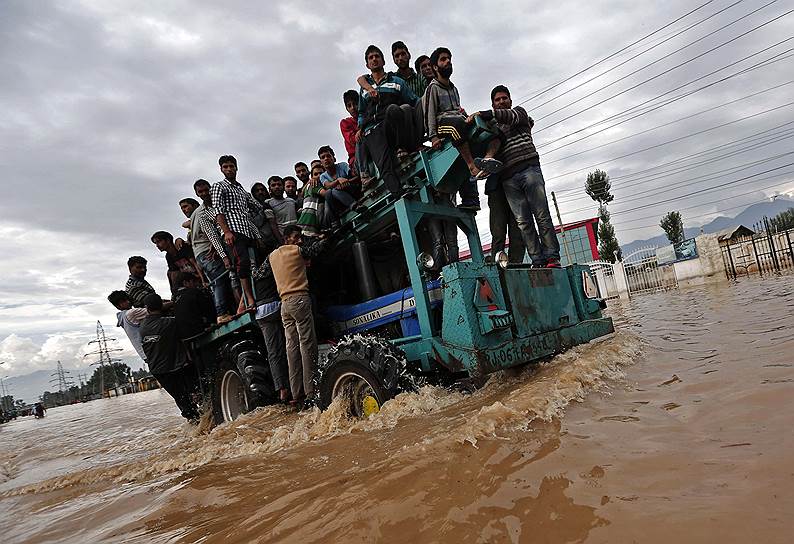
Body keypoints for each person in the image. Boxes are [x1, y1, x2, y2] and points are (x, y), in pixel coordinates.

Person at [468, 85, 561, 267]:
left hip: (529, 169)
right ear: (493, 103)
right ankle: (537, 260)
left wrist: (483, 113)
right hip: (509, 178)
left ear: (510, 100)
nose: (502, 101)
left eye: (504, 98)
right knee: (523, 222)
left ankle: (552, 257)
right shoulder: (493, 128)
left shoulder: (519, 113)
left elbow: (507, 116)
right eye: (498, 100)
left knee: (542, 215)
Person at [253, 225, 328, 405]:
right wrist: (325, 236)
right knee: (307, 345)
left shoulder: (272, 256)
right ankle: (311, 392)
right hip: (300, 299)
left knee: (291, 349)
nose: (299, 239)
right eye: (296, 236)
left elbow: (257, 275)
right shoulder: (297, 250)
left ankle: (296, 393)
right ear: (286, 239)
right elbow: (317, 248)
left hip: (284, 305)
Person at [423, 47, 502, 211]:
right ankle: (472, 166)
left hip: (457, 119)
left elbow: (458, 110)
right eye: (443, 59)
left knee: (492, 126)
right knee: (456, 126)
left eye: (449, 58)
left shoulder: (454, 88)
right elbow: (430, 113)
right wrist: (433, 137)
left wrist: (470, 118)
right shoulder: (433, 88)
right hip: (442, 123)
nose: (448, 62)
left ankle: (487, 158)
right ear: (435, 66)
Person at [356, 44, 421, 195]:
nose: (374, 59)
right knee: (384, 164)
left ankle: (401, 148)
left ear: (383, 61)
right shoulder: (364, 87)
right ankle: (399, 193)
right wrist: (360, 128)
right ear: (367, 64)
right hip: (372, 129)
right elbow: (361, 111)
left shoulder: (397, 81)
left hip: (389, 125)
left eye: (377, 56)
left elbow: (414, 100)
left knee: (394, 109)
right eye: (371, 58)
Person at [211, 155, 262, 309]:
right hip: (233, 230)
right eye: (225, 167)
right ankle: (249, 299)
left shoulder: (241, 189)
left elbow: (256, 206)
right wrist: (226, 232)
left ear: (236, 167)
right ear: (221, 169)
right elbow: (218, 211)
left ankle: (257, 295)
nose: (229, 169)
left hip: (248, 230)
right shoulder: (219, 186)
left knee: (257, 262)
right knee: (242, 264)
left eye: (231, 166)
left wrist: (257, 234)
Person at [140, 294, 200, 422]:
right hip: (175, 368)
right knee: (192, 394)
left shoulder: (143, 327)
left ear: (146, 308)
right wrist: (174, 303)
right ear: (161, 306)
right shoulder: (170, 323)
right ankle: (201, 421)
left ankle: (196, 425)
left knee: (181, 399)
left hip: (158, 371)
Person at [193, 178, 235, 323]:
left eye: (206, 190)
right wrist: (223, 256)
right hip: (206, 251)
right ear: (197, 194)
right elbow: (212, 235)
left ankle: (229, 309)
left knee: (224, 278)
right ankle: (221, 313)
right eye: (201, 191)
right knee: (219, 279)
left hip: (211, 248)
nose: (204, 193)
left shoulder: (219, 203)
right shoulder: (201, 213)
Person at [252, 256, 290, 403]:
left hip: (260, 313)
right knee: (290, 345)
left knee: (274, 352)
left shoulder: (249, 273)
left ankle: (282, 389)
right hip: (275, 307)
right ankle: (294, 385)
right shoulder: (274, 264)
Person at [357, 41, 427, 102]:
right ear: (394, 60)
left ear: (409, 55)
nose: (401, 58)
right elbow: (362, 79)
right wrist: (369, 88)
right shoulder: (391, 78)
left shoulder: (421, 79)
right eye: (397, 56)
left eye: (403, 54)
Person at [318, 145, 360, 220]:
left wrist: (347, 182)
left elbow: (356, 177)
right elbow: (328, 186)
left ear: (334, 158)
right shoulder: (323, 176)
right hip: (339, 202)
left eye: (328, 156)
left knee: (333, 190)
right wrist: (338, 181)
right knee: (330, 192)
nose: (326, 159)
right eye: (323, 157)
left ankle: (355, 206)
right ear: (321, 162)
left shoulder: (342, 165)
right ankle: (335, 221)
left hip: (352, 191)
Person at [151, 231, 199, 295]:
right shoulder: (168, 256)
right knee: (170, 273)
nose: (157, 245)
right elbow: (174, 273)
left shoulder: (182, 247)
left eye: (159, 241)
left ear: (168, 240)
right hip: (189, 281)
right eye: (155, 243)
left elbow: (195, 263)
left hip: (201, 274)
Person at [172, 272, 216, 339]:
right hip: (199, 330)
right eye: (193, 282)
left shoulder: (174, 298)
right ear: (185, 283)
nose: (195, 284)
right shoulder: (195, 292)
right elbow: (209, 310)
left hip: (184, 335)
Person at [108, 290, 148, 361]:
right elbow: (154, 310)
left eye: (127, 299)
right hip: (148, 351)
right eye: (123, 301)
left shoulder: (122, 316)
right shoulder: (131, 313)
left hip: (144, 353)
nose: (128, 302)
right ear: (118, 306)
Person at [296, 163, 329, 237]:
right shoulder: (313, 184)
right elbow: (328, 194)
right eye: (316, 174)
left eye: (321, 173)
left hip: (310, 227)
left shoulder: (312, 183)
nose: (319, 176)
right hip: (308, 226)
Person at [251, 181, 282, 253]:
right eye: (257, 191)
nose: (260, 192)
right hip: (260, 242)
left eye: (262, 190)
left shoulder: (270, 204)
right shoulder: (250, 208)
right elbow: (254, 223)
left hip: (275, 241)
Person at [340, 90, 359, 172]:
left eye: (355, 104)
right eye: (349, 106)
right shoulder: (345, 123)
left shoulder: (369, 116)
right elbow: (353, 140)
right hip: (356, 157)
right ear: (346, 108)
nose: (353, 108)